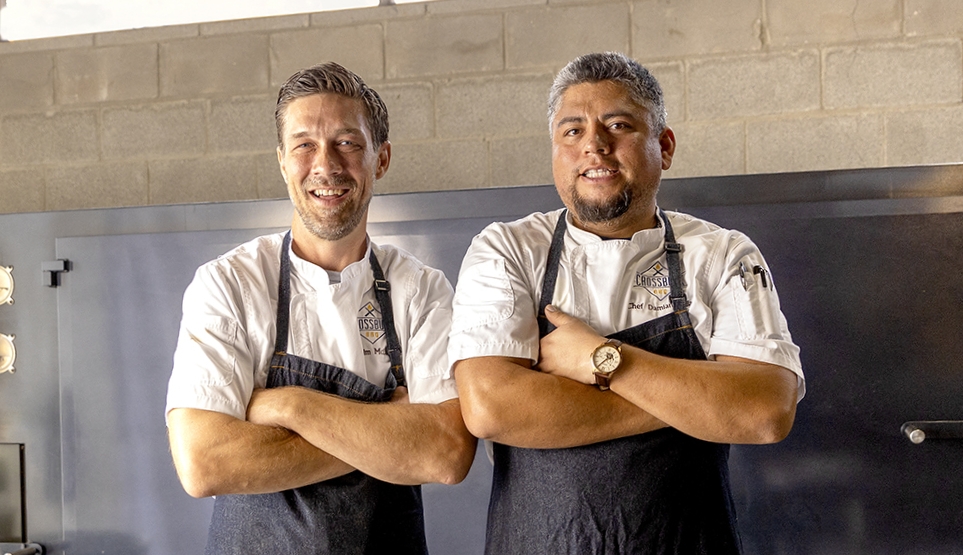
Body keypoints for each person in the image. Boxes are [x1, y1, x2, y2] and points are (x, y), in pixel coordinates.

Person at [449, 51, 805, 554]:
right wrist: (689, 399)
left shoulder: (723, 254)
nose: (594, 145)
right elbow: (489, 408)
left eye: (618, 125)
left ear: (665, 145)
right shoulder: (507, 250)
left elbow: (766, 412)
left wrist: (600, 360)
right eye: (572, 131)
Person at [165, 62, 476, 555]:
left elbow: (445, 453)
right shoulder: (229, 284)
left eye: (348, 143)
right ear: (283, 161)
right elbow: (205, 463)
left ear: (381, 158)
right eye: (304, 144)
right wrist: (386, 431)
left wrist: (286, 406)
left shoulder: (420, 290)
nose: (325, 165)